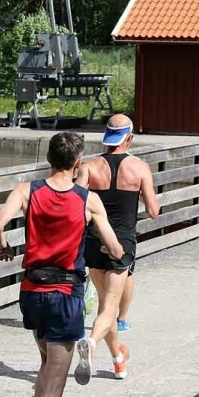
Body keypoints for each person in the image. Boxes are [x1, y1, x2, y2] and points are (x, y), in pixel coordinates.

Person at [0, 132, 123, 397]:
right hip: (65, 294)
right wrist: (116, 253)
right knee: (57, 379)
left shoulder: (27, 190)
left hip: (32, 291)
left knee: (47, 363)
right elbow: (112, 246)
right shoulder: (88, 200)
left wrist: (4, 248)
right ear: (78, 163)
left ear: (49, 158)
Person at [76, 114, 160, 381]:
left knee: (105, 304)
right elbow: (153, 211)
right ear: (130, 137)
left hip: (93, 240)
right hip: (121, 243)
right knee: (109, 307)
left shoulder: (89, 167)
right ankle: (91, 343)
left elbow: (75, 204)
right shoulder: (140, 167)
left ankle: (118, 360)